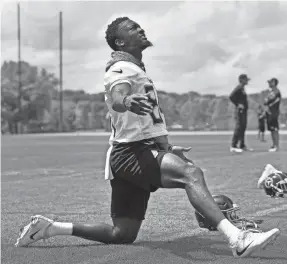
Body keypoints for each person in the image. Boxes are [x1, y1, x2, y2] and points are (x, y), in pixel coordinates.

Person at [15, 17, 280, 258]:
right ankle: (238, 239)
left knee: (122, 234)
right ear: (120, 41)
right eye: (133, 28)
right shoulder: (121, 68)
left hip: (129, 154)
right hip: (131, 154)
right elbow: (118, 96)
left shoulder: (135, 68)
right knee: (191, 174)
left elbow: (145, 122)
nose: (140, 30)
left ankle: (50, 228)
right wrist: (127, 100)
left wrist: (167, 148)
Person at [229, 74, 253, 153]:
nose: (247, 81)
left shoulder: (242, 88)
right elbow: (231, 96)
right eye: (246, 79)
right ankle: (233, 145)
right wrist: (238, 104)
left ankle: (242, 145)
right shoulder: (239, 87)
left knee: (243, 127)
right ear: (242, 79)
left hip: (244, 111)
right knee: (239, 127)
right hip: (240, 111)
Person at [264, 78, 281, 152]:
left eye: (270, 82)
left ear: (274, 83)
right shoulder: (272, 92)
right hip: (270, 113)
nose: (269, 84)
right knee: (272, 129)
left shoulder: (276, 91)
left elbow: (267, 101)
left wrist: (266, 100)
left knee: (274, 129)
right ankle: (274, 144)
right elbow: (266, 101)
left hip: (273, 113)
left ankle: (276, 146)